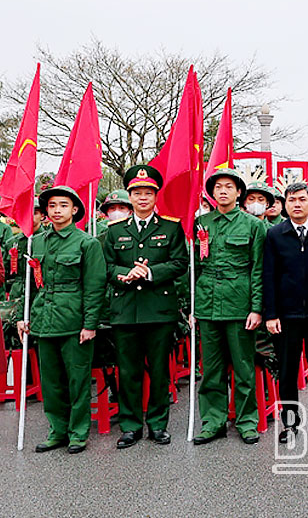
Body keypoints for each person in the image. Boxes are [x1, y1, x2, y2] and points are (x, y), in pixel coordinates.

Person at [102, 165, 187, 449]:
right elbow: (107, 265)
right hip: (125, 310)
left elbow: (180, 263)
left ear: (155, 196)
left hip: (158, 309)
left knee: (160, 370)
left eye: (147, 193)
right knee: (128, 371)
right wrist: (123, 275)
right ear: (129, 196)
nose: (142, 198)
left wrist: (149, 273)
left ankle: (158, 424)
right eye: (137, 193)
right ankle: (130, 425)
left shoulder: (171, 228)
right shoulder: (114, 231)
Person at [18, 186, 106, 454]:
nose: (57, 210)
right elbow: (29, 283)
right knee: (51, 382)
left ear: (75, 210)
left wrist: (90, 324)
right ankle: (57, 430)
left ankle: (78, 432)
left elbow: (94, 286)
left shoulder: (86, 243)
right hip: (44, 319)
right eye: (52, 206)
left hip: (73, 321)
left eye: (63, 205)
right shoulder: (37, 242)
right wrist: (25, 315)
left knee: (77, 380)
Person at [193, 168, 267, 445]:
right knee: (210, 368)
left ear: (239, 193)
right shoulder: (201, 224)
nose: (223, 191)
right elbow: (194, 269)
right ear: (212, 194)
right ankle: (213, 421)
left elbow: (259, 269)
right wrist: (192, 308)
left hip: (240, 303)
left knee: (243, 367)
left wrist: (256, 308)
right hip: (207, 303)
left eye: (229, 187)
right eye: (218, 187)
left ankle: (247, 421)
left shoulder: (253, 226)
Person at [263, 182, 308, 444]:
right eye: (292, 200)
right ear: (285, 204)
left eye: (302, 199)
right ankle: (290, 422)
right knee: (288, 372)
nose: (297, 204)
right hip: (286, 316)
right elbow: (268, 275)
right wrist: (271, 314)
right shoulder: (275, 235)